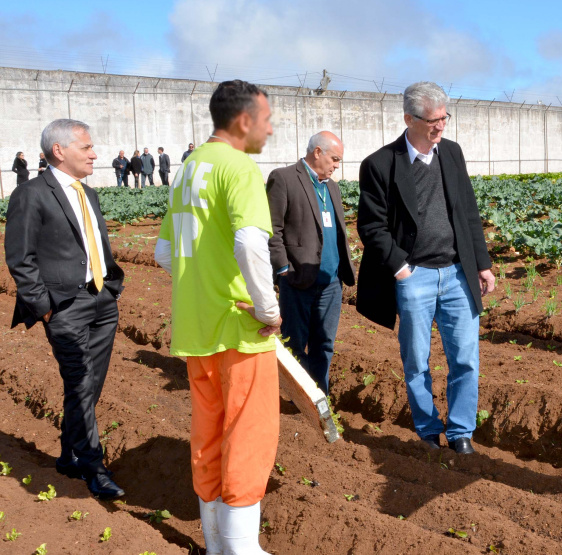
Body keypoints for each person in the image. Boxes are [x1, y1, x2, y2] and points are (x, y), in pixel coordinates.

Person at [155, 79, 280, 554]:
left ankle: (215, 543)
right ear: (245, 120)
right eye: (266, 120)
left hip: (196, 327)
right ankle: (241, 550)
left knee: (207, 435)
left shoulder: (188, 168)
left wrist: (200, 284)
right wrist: (268, 308)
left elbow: (165, 253)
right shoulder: (239, 167)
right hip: (239, 329)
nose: (269, 130)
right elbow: (251, 243)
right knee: (249, 436)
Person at [357, 82, 495, 455]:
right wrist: (401, 268)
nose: (440, 126)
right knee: (417, 361)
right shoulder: (380, 164)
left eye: (444, 118)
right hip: (413, 276)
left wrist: (481, 264)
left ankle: (462, 432)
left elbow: (468, 212)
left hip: (456, 275)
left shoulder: (451, 153)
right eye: (433, 120)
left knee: (465, 358)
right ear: (409, 118)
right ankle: (427, 430)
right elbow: (371, 226)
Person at [5, 119, 126, 500]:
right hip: (63, 307)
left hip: (102, 302)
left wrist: (112, 286)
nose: (95, 154)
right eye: (87, 147)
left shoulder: (88, 194)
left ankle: (68, 453)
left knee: (90, 385)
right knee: (78, 379)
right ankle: (93, 466)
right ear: (59, 150)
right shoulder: (31, 194)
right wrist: (44, 308)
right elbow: (20, 258)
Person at [266, 131, 356, 395]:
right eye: (334, 159)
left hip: (331, 283)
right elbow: (272, 229)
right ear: (317, 152)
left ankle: (320, 396)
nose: (337, 165)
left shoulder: (332, 187)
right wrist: (283, 268)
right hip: (298, 280)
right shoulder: (283, 178)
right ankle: (300, 396)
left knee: (324, 343)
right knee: (295, 343)